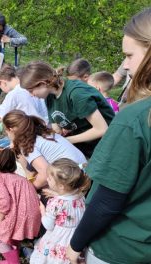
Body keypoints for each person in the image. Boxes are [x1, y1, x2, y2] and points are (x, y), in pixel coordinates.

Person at [66, 7, 151, 264]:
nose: (125, 65)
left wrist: (75, 244)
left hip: (120, 248)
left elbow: (108, 201)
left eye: (129, 55)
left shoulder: (135, 119)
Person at [19, 61, 115, 158]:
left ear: (43, 84)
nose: (31, 95)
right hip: (84, 148)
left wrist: (66, 140)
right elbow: (56, 129)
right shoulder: (49, 97)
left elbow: (102, 129)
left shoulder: (76, 94)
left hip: (106, 148)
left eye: (31, 91)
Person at [2, 110, 87, 190]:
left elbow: (44, 174)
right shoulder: (42, 132)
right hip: (83, 171)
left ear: (10, 129)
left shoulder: (27, 145)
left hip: (72, 181)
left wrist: (31, 188)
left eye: (6, 132)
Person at [30, 159, 90, 264]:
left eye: (49, 178)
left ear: (61, 186)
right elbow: (68, 196)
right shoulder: (80, 194)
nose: (47, 179)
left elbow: (48, 225)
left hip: (59, 238)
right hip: (75, 239)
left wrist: (42, 209)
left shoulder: (56, 203)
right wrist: (56, 193)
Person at [0, 147, 41, 264]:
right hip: (34, 217)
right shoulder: (20, 178)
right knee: (12, 234)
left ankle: (13, 261)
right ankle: (14, 254)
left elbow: (5, 203)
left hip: (21, 217)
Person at [0, 64, 48, 149]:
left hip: (32, 136)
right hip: (45, 129)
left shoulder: (14, 94)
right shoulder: (28, 84)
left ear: (3, 82)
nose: (2, 90)